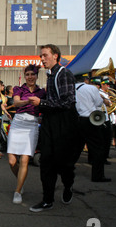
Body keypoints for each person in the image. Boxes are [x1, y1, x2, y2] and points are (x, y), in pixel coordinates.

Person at [29, 44, 79, 212]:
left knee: (64, 163)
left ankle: (68, 185)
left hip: (64, 124)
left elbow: (68, 102)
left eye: (44, 55)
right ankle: (47, 199)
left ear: (55, 56)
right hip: (50, 123)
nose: (41, 59)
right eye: (40, 56)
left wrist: (41, 103)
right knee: (46, 162)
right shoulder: (50, 75)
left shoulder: (63, 74)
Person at [7, 65, 46, 204]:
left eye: (33, 74)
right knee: (12, 161)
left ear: (37, 75)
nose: (30, 77)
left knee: (24, 160)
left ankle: (18, 190)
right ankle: (21, 181)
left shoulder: (41, 92)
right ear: (25, 76)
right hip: (18, 123)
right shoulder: (19, 89)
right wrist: (28, 101)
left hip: (32, 125)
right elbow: (16, 102)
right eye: (28, 74)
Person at [73, 74, 109, 182]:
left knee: (75, 148)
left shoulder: (71, 89)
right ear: (85, 79)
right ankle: (97, 175)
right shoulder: (91, 88)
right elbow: (98, 103)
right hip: (90, 120)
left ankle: (66, 169)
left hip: (76, 120)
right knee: (97, 148)